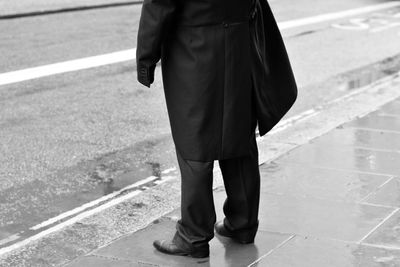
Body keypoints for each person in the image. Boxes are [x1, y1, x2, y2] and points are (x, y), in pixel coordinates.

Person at [136, 0, 297, 259]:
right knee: (239, 135)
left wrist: (146, 56)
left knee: (194, 141)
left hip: (193, 48)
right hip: (238, 43)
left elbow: (160, 5)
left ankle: (193, 235)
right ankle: (243, 224)